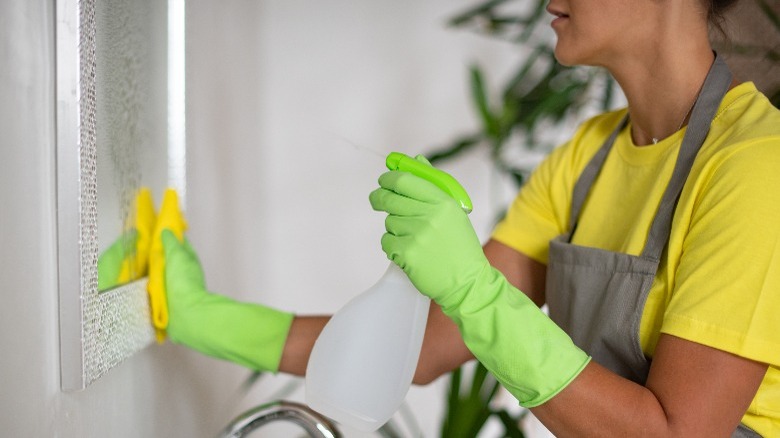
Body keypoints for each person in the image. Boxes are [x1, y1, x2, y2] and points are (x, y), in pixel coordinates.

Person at [159, 0, 780, 435]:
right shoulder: (584, 159)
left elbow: (677, 434)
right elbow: (425, 347)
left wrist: (471, 289)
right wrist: (201, 317)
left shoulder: (754, 166)